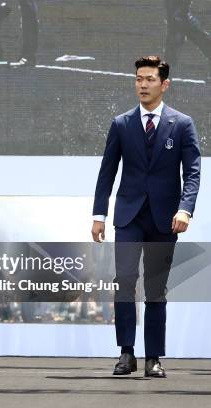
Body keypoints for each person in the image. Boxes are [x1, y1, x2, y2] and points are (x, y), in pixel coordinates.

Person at [92, 56, 201, 378]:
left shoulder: (182, 124)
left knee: (156, 288)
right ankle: (127, 353)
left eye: (150, 79)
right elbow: (106, 173)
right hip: (128, 216)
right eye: (139, 78)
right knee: (124, 282)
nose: (142, 84)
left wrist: (185, 209)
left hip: (166, 218)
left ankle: (153, 357)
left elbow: (192, 173)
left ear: (164, 84)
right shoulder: (122, 123)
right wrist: (99, 214)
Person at [164, 0, 211, 79]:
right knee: (176, 36)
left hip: (181, 16)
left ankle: (167, 75)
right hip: (179, 17)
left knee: (175, 35)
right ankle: (167, 75)